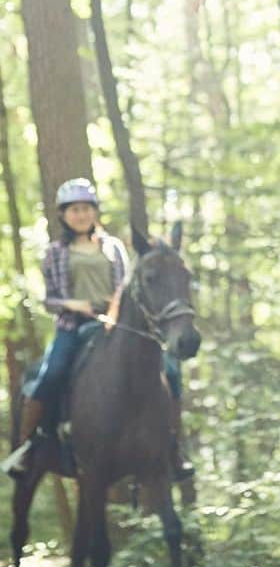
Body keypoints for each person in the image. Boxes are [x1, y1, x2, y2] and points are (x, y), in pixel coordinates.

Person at [2, 179, 193, 480]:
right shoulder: (55, 252)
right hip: (72, 326)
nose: (81, 215)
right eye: (74, 209)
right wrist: (75, 305)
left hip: (113, 327)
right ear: (64, 215)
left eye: (86, 209)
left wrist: (113, 307)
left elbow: (128, 289)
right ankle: (30, 445)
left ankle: (173, 447)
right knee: (51, 373)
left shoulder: (114, 247)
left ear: (95, 212)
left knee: (169, 370)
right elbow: (49, 299)